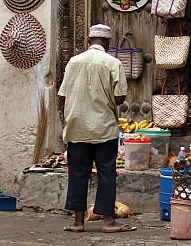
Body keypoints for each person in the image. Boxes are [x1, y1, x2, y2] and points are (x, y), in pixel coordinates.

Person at [57, 24, 135, 233]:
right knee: (107, 173)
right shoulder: (113, 62)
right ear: (108, 43)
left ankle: (78, 222)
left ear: (88, 41)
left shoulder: (74, 62)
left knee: (78, 174)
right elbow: (119, 98)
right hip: (103, 127)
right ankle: (109, 222)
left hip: (77, 126)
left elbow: (63, 94)